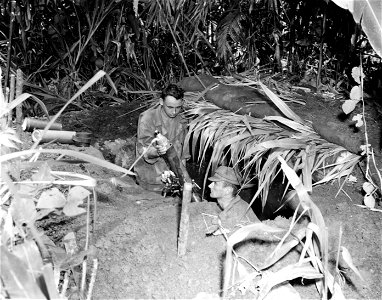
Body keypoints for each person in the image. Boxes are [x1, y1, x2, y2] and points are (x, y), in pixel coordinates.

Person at [134, 84, 189, 192]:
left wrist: (183, 177)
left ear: (182, 103)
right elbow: (144, 149)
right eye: (170, 107)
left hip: (173, 176)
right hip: (151, 178)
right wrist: (157, 151)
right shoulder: (148, 118)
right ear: (161, 101)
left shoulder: (182, 119)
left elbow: (183, 153)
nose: (174, 112)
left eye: (178, 107)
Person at [206, 166, 260, 235]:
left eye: (215, 183)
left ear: (228, 190)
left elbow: (227, 224)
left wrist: (218, 221)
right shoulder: (233, 204)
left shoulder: (236, 210)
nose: (210, 186)